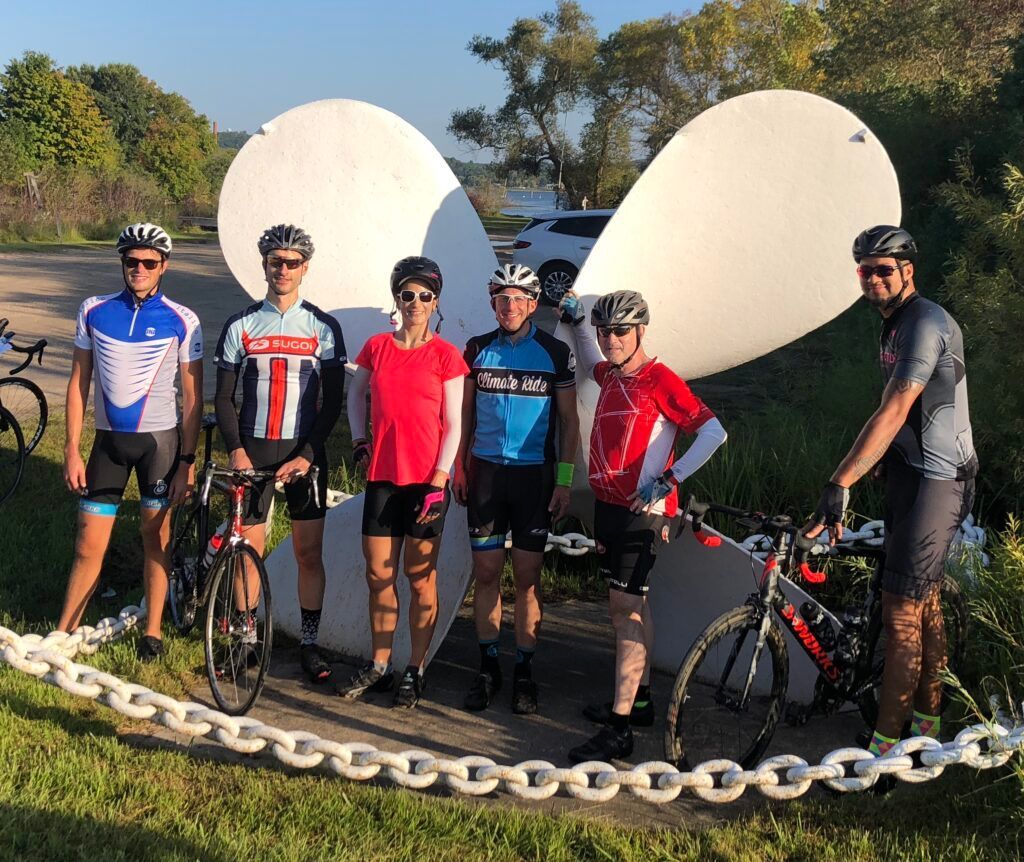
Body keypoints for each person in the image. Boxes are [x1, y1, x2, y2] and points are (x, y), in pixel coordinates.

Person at [807, 226, 977, 758]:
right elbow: (905, 413)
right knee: (922, 604)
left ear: (909, 271)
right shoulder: (895, 324)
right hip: (912, 473)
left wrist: (842, 480)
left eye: (884, 269)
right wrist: (884, 459)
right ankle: (926, 725)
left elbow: (897, 406)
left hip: (939, 479)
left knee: (901, 609)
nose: (873, 278)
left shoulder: (924, 321)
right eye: (865, 270)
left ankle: (884, 749)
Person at [561, 289, 727, 762]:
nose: (610, 339)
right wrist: (575, 324)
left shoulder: (660, 380)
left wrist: (668, 480)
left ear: (641, 332)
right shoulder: (612, 372)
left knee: (623, 612)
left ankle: (618, 730)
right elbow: (592, 359)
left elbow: (714, 432)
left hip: (644, 513)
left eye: (620, 331)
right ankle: (641, 703)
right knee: (638, 608)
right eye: (604, 330)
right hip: (611, 508)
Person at [58, 223, 203, 661]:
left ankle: (153, 631)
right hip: (108, 446)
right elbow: (78, 381)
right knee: (87, 543)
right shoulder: (93, 309)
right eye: (131, 261)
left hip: (159, 447)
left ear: (164, 266)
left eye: (148, 262)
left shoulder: (183, 319)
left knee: (154, 539)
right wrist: (70, 448)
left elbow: (193, 398)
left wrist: (187, 461)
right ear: (121, 263)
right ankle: (64, 636)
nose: (138, 269)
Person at [214, 224, 345, 683]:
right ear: (265, 265)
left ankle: (309, 643)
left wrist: (308, 454)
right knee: (248, 548)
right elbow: (223, 398)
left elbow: (332, 403)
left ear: (304, 268)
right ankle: (245, 642)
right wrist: (237, 452)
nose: (283, 269)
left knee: (309, 554)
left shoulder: (323, 327)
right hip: (253, 453)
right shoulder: (241, 325)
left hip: (303, 456)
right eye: (275, 261)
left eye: (292, 262)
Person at [337, 256, 468, 708]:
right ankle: (379, 664)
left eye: (424, 296)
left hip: (426, 483)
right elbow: (356, 393)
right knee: (378, 575)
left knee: (419, 577)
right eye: (407, 295)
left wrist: (441, 476)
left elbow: (454, 423)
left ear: (435, 302)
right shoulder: (377, 347)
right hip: (382, 480)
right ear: (397, 299)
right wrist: (359, 439)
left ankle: (416, 667)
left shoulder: (446, 355)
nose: (415, 303)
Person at [453, 264, 580, 715]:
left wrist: (564, 480)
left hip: (534, 479)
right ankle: (489, 668)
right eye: (502, 299)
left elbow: (569, 423)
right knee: (486, 575)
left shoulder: (552, 352)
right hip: (486, 474)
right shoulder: (476, 349)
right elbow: (463, 414)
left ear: (532, 304)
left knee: (527, 580)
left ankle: (524, 671)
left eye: (519, 299)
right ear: (493, 303)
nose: (509, 307)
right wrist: (458, 464)